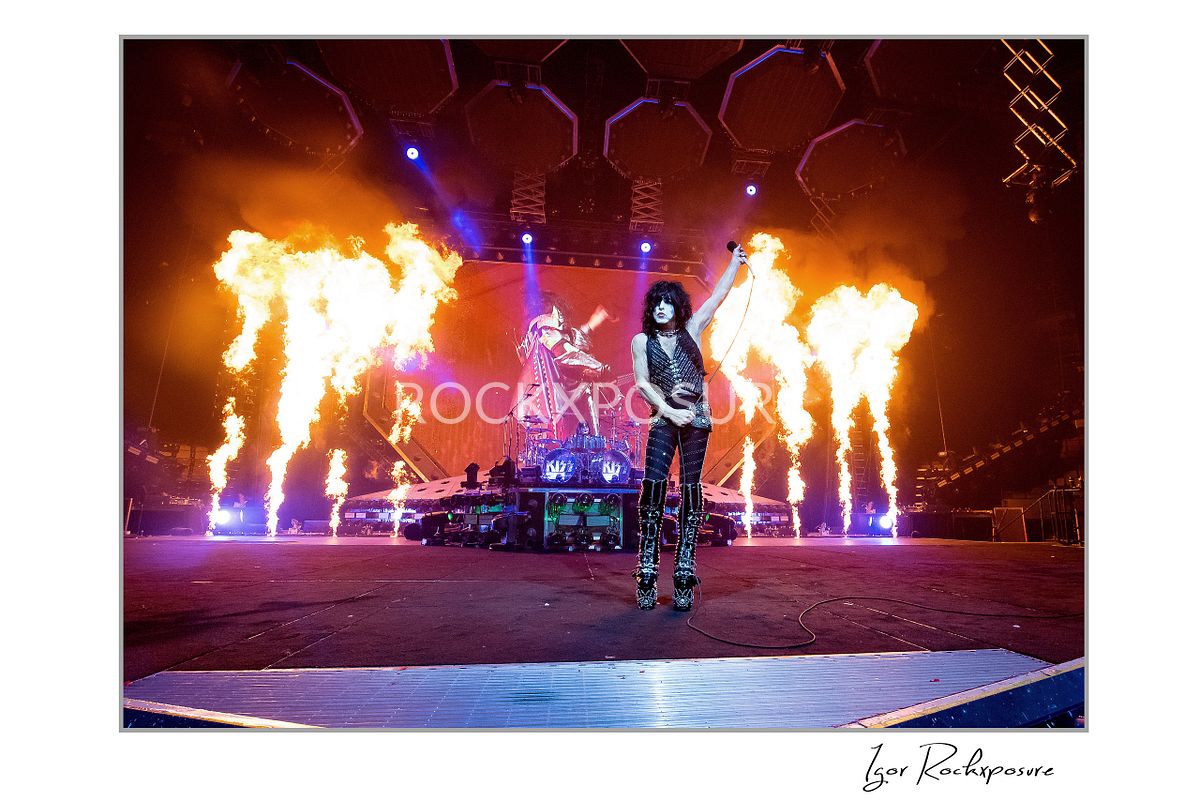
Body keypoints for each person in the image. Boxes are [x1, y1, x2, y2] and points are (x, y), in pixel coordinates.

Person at [630, 243, 748, 610]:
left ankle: (684, 571)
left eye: (668, 302)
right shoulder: (642, 341)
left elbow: (719, 296)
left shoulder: (693, 328)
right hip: (665, 418)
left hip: (696, 418)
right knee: (653, 486)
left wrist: (733, 263)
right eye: (656, 302)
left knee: (692, 489)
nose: (661, 307)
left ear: (677, 306)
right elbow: (643, 383)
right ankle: (647, 570)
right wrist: (667, 410)